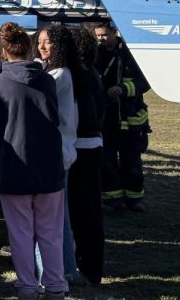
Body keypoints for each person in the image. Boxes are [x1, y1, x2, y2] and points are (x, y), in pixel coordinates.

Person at [0, 22, 66, 300]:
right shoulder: (46, 80)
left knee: (20, 233)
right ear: (30, 48)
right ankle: (56, 292)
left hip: (14, 164)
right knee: (50, 232)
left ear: (4, 51)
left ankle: (27, 292)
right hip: (48, 166)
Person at [36, 26, 82, 286]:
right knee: (58, 216)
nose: (42, 47)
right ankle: (67, 267)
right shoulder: (50, 70)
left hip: (58, 153)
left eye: (48, 43)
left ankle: (65, 269)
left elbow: (37, 89)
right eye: (40, 42)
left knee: (55, 217)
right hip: (58, 151)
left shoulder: (60, 74)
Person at [93, 24, 151, 213]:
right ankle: (112, 200)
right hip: (107, 119)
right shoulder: (96, 54)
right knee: (107, 161)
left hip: (131, 118)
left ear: (114, 32)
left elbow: (145, 81)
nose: (100, 39)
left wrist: (124, 89)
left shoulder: (131, 54)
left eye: (104, 35)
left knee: (132, 162)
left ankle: (134, 199)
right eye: (98, 36)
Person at [68, 26, 107, 284]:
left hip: (82, 145)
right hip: (91, 144)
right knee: (87, 209)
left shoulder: (78, 74)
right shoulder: (90, 72)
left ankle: (89, 268)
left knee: (83, 210)